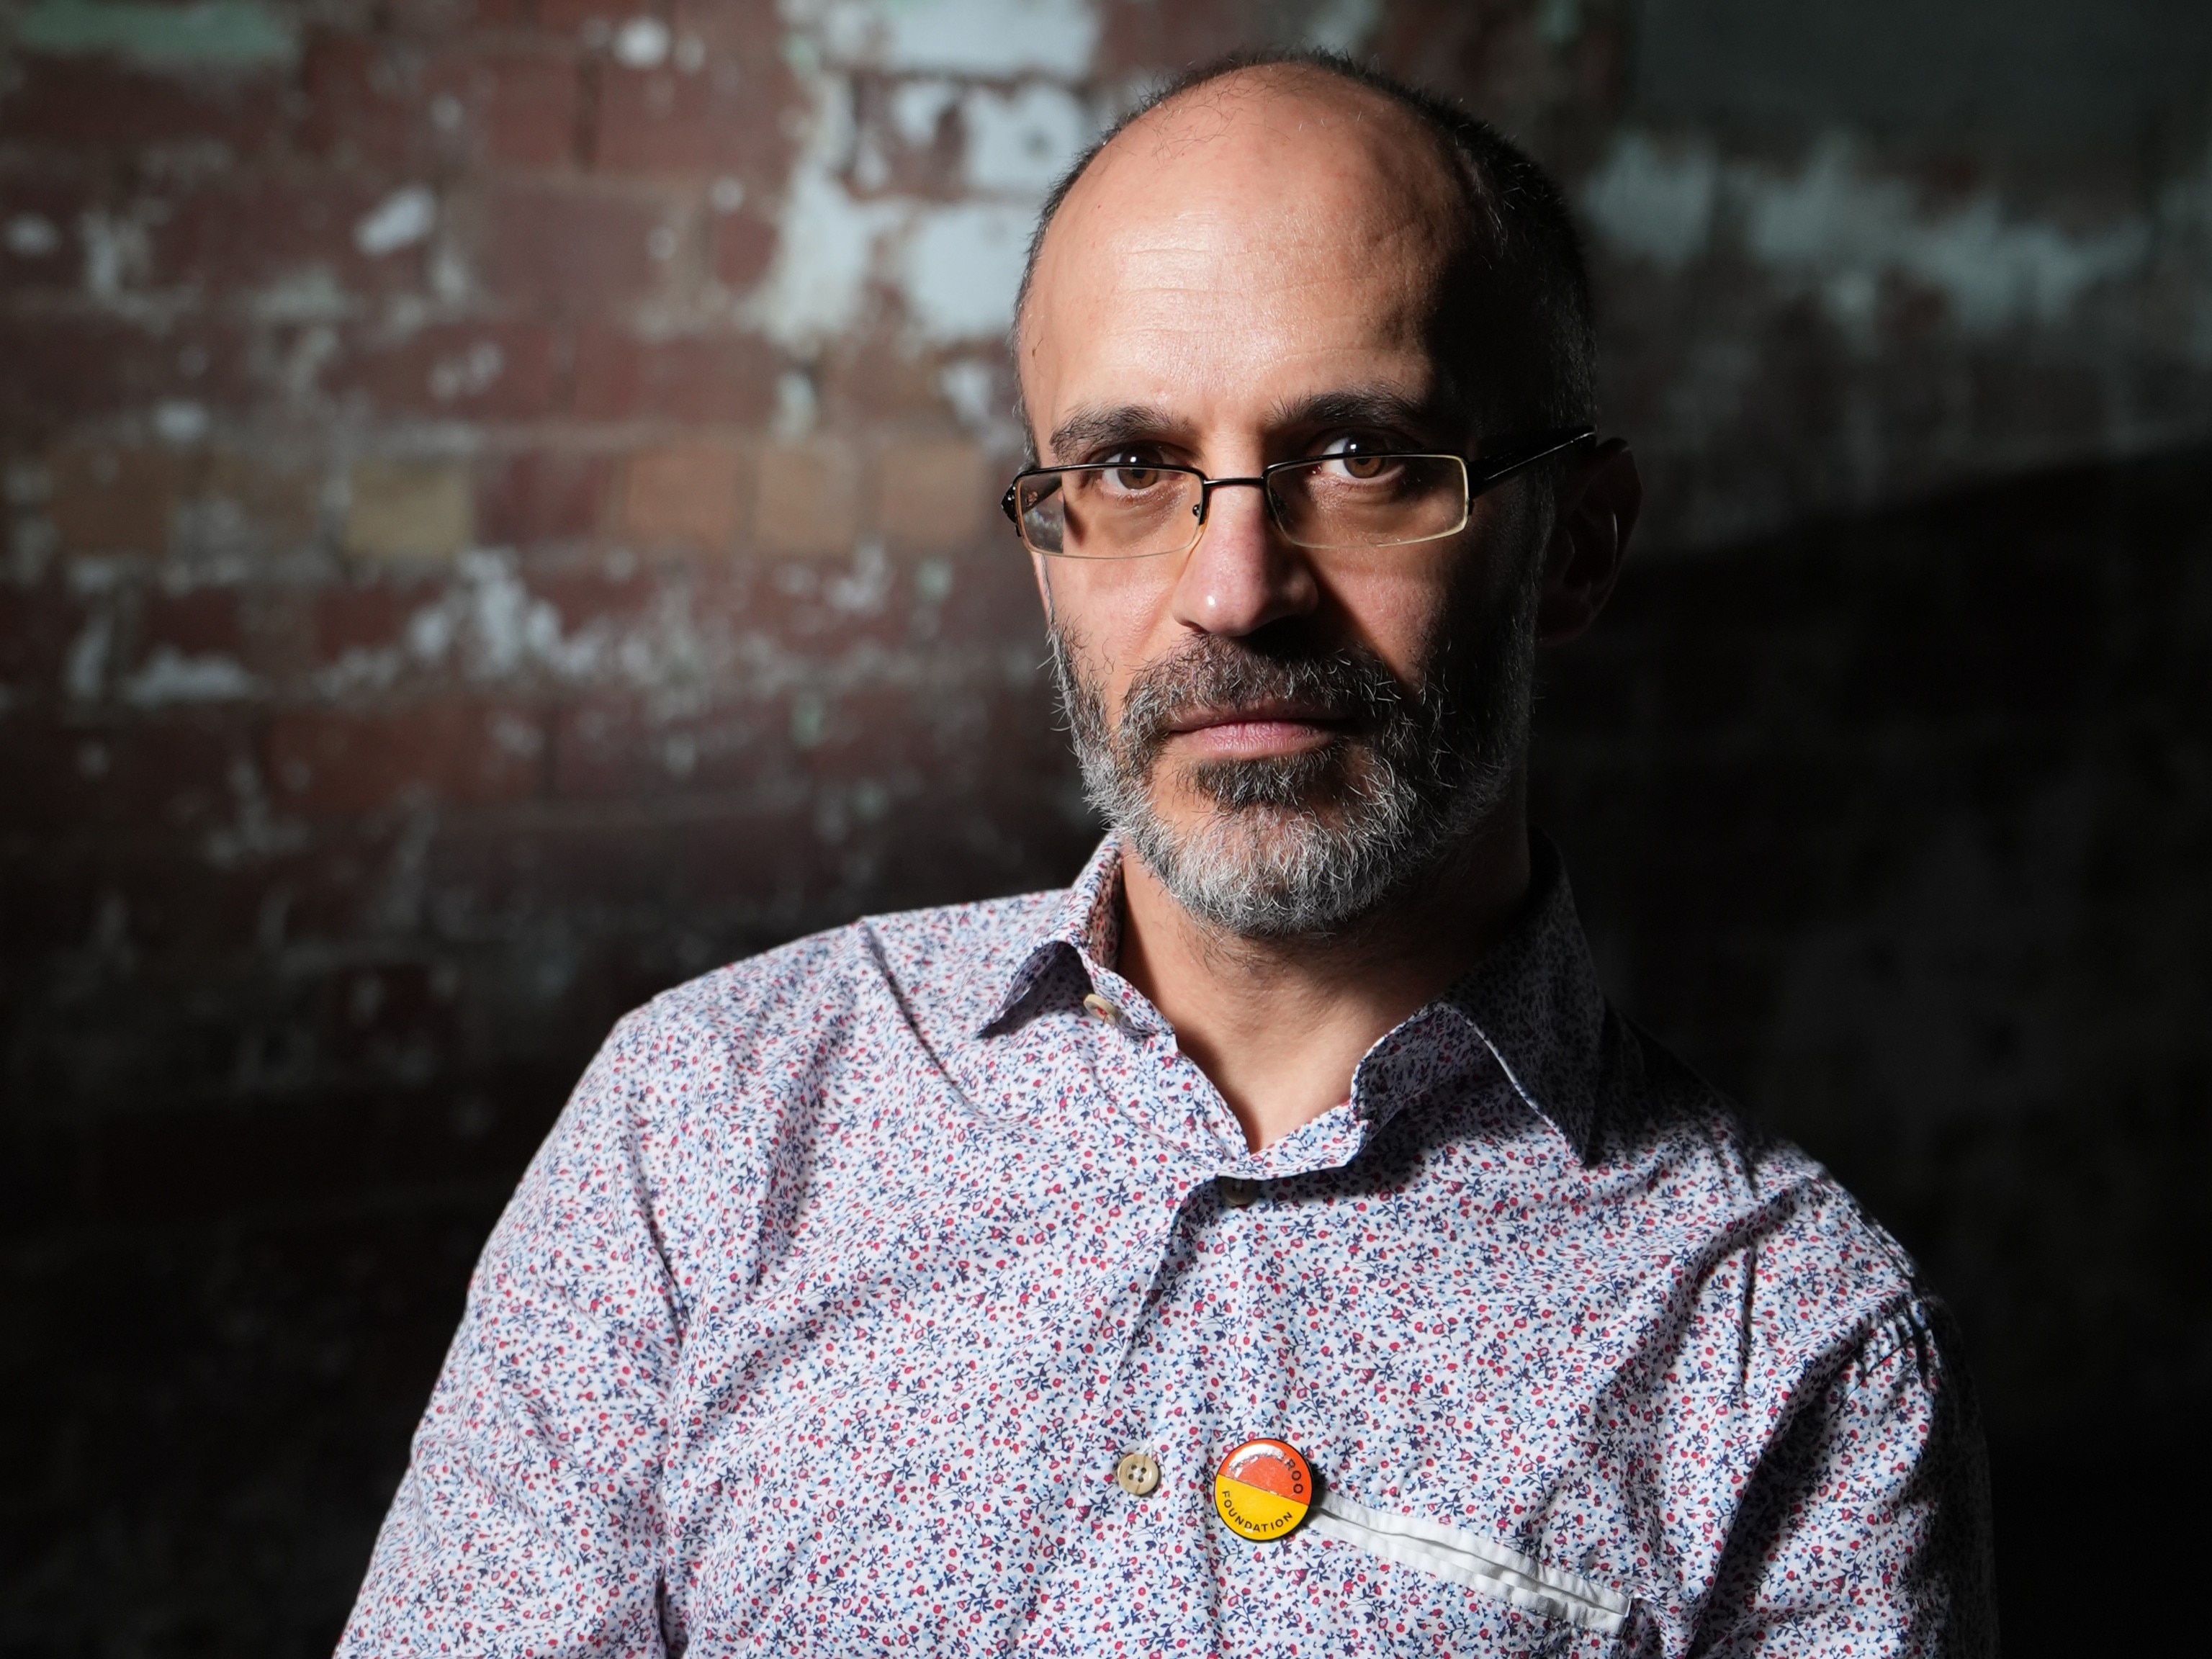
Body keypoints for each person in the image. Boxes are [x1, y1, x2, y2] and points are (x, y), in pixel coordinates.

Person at [340, 51, 1993, 1658]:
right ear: (1051, 531)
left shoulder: (1792, 1344)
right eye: (1131, 469)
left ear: (1578, 542)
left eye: (1358, 455)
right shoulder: (703, 1130)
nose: (1232, 588)